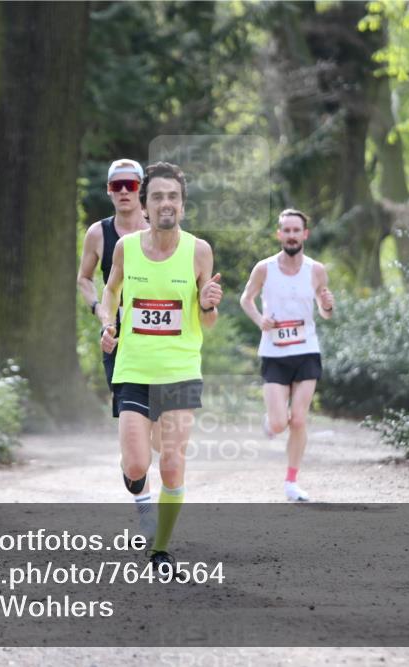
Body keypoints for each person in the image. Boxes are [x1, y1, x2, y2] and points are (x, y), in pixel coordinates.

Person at [99, 161, 221, 570]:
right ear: (145, 205)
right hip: (133, 369)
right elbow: (110, 291)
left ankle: (160, 549)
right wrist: (107, 323)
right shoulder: (126, 248)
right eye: (157, 197)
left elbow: (207, 321)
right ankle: (138, 491)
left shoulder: (199, 251)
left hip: (180, 371)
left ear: (182, 205)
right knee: (136, 465)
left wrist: (208, 306)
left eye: (173, 197)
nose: (166, 203)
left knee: (171, 463)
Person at [77, 159, 156, 532]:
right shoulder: (99, 233)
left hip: (161, 340)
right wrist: (100, 311)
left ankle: (136, 458)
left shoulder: (158, 230)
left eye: (130, 185)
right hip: (118, 337)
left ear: (141, 188)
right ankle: (144, 502)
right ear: (109, 191)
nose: (124, 191)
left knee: (158, 434)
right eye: (116, 186)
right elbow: (84, 278)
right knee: (135, 428)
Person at [239, 208, 334, 502]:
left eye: (296, 231)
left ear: (305, 234)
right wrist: (260, 320)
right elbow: (246, 299)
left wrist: (327, 305)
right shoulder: (264, 268)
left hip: (306, 350)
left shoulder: (316, 270)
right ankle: (271, 422)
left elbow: (325, 312)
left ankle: (291, 482)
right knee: (280, 422)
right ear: (279, 234)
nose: (292, 236)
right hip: (274, 353)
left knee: (299, 420)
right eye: (287, 230)